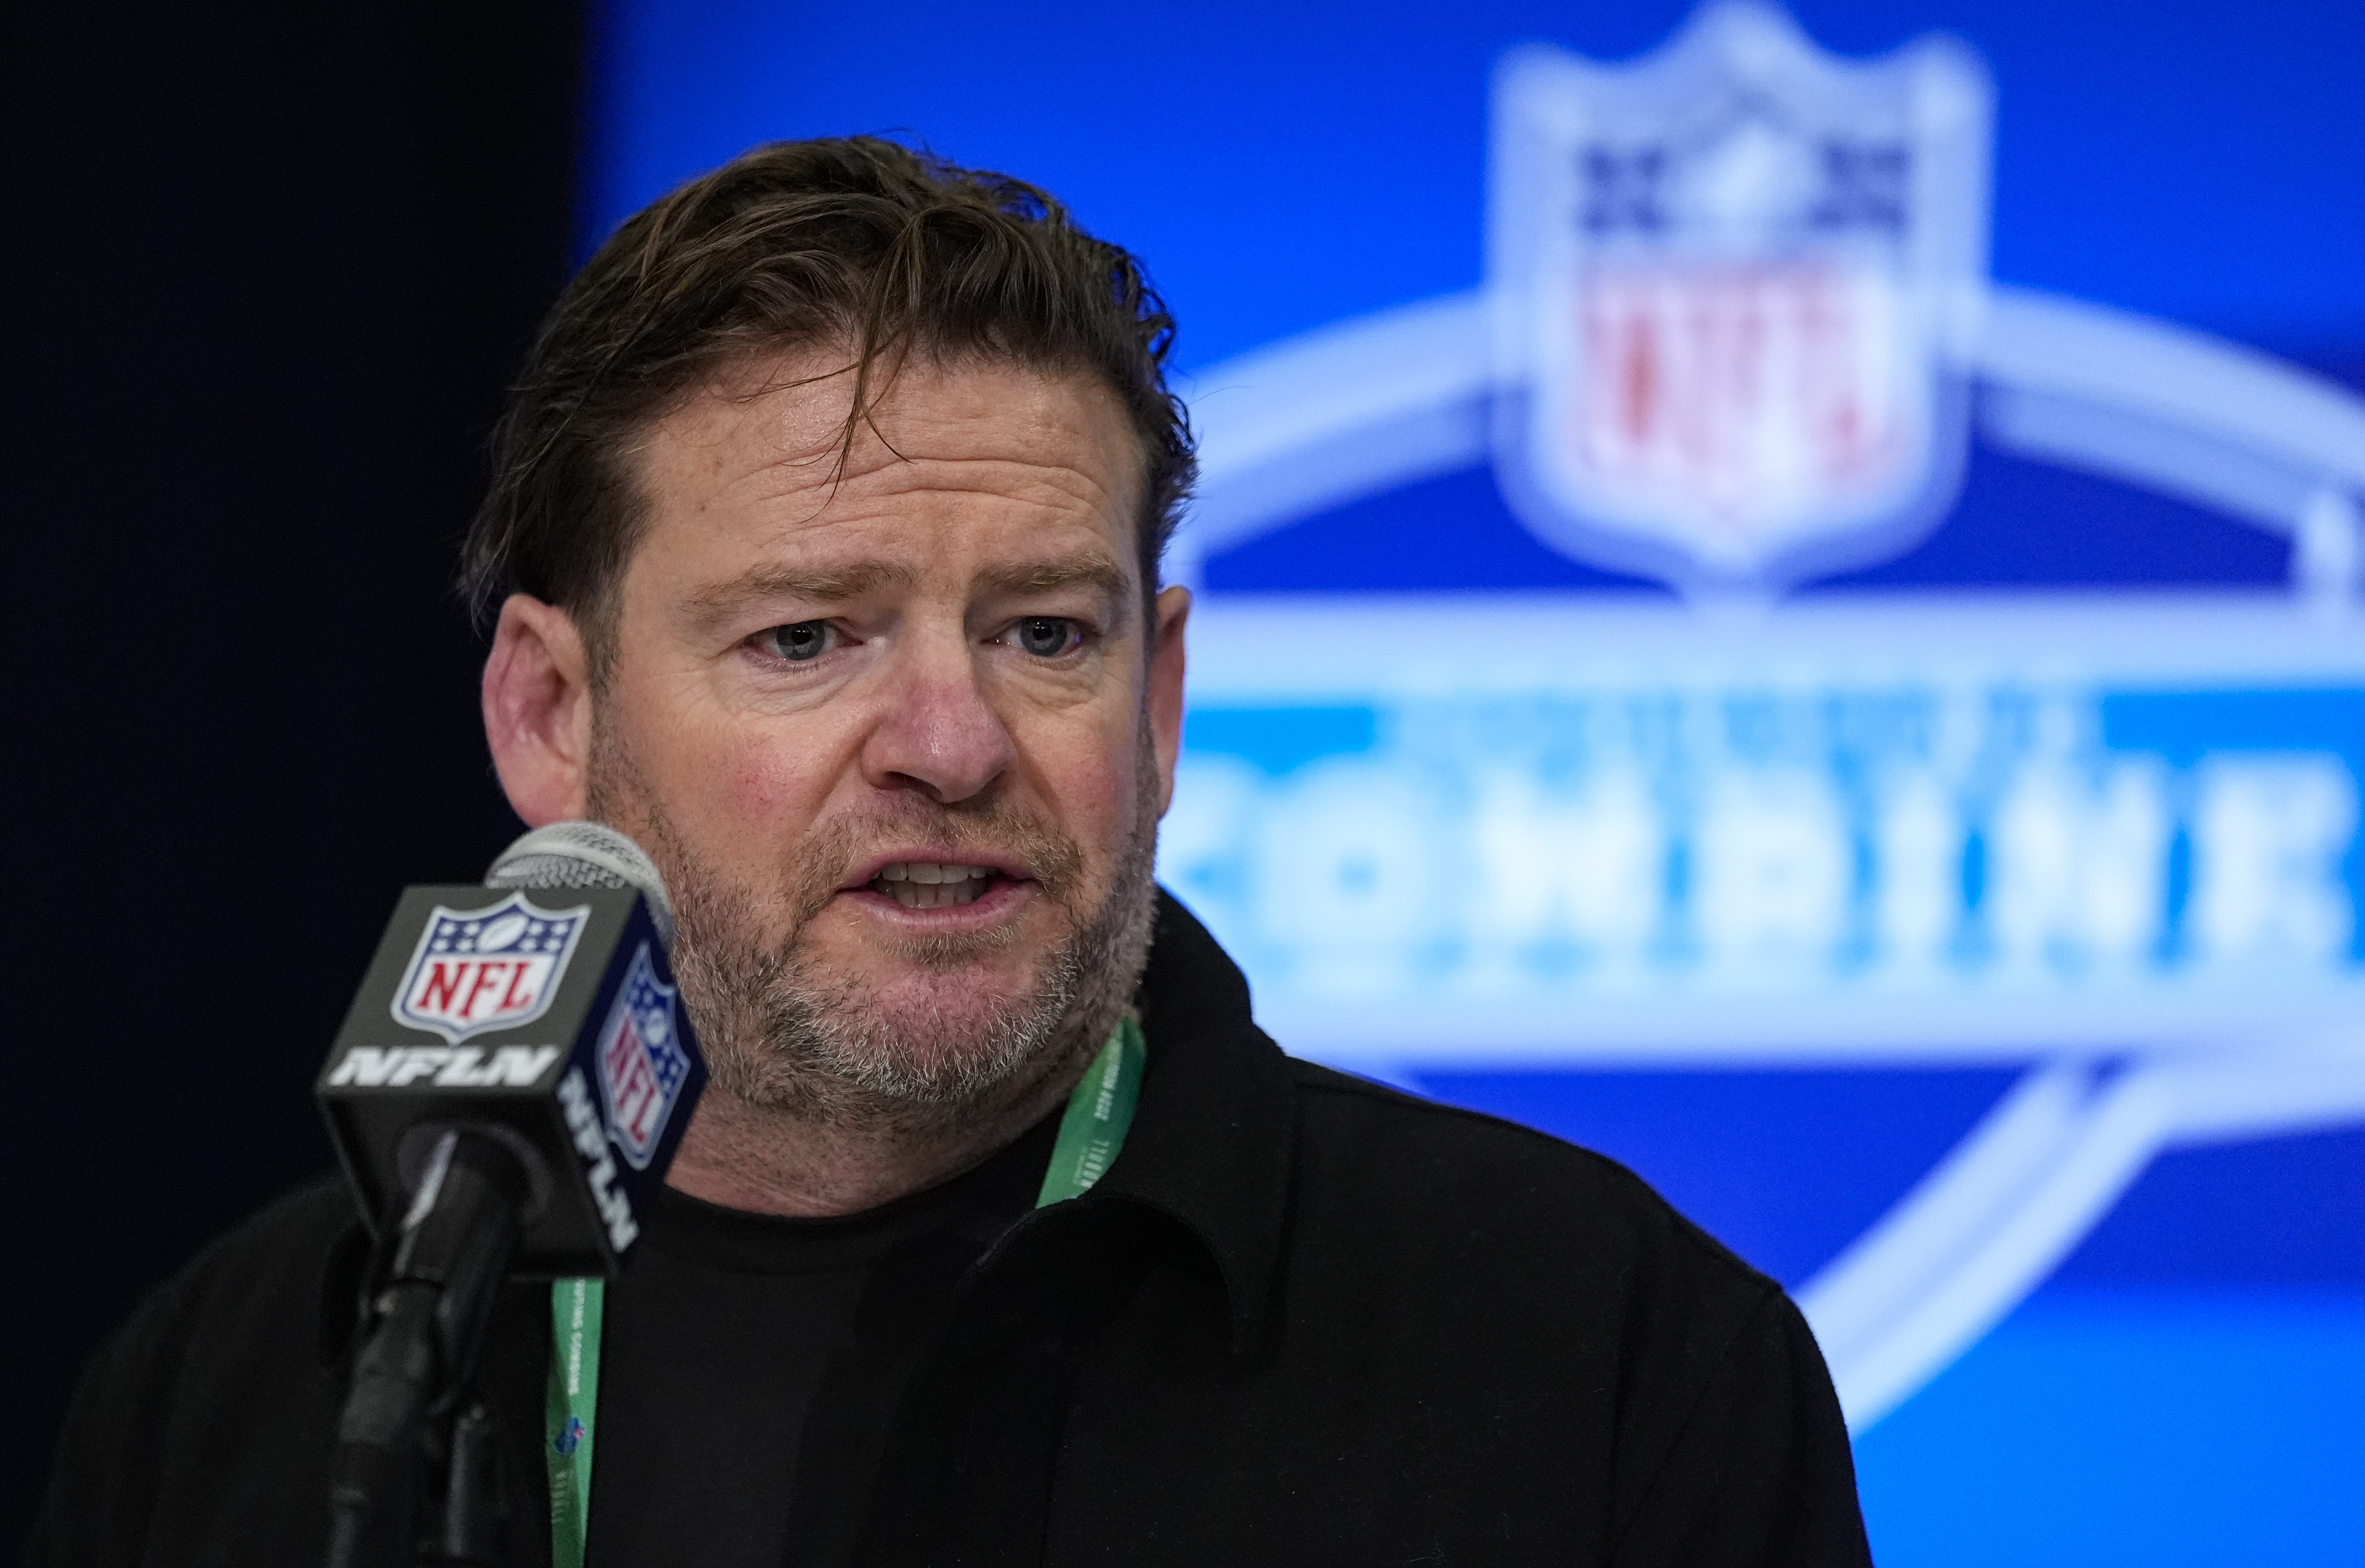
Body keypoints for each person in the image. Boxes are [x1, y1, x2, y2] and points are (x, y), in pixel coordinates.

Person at [29, 137, 1871, 1567]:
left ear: (1156, 703)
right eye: (805, 637)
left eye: (1044, 635)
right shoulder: (256, 1385)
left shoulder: (1597, 1356)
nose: (947, 741)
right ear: (546, 715)